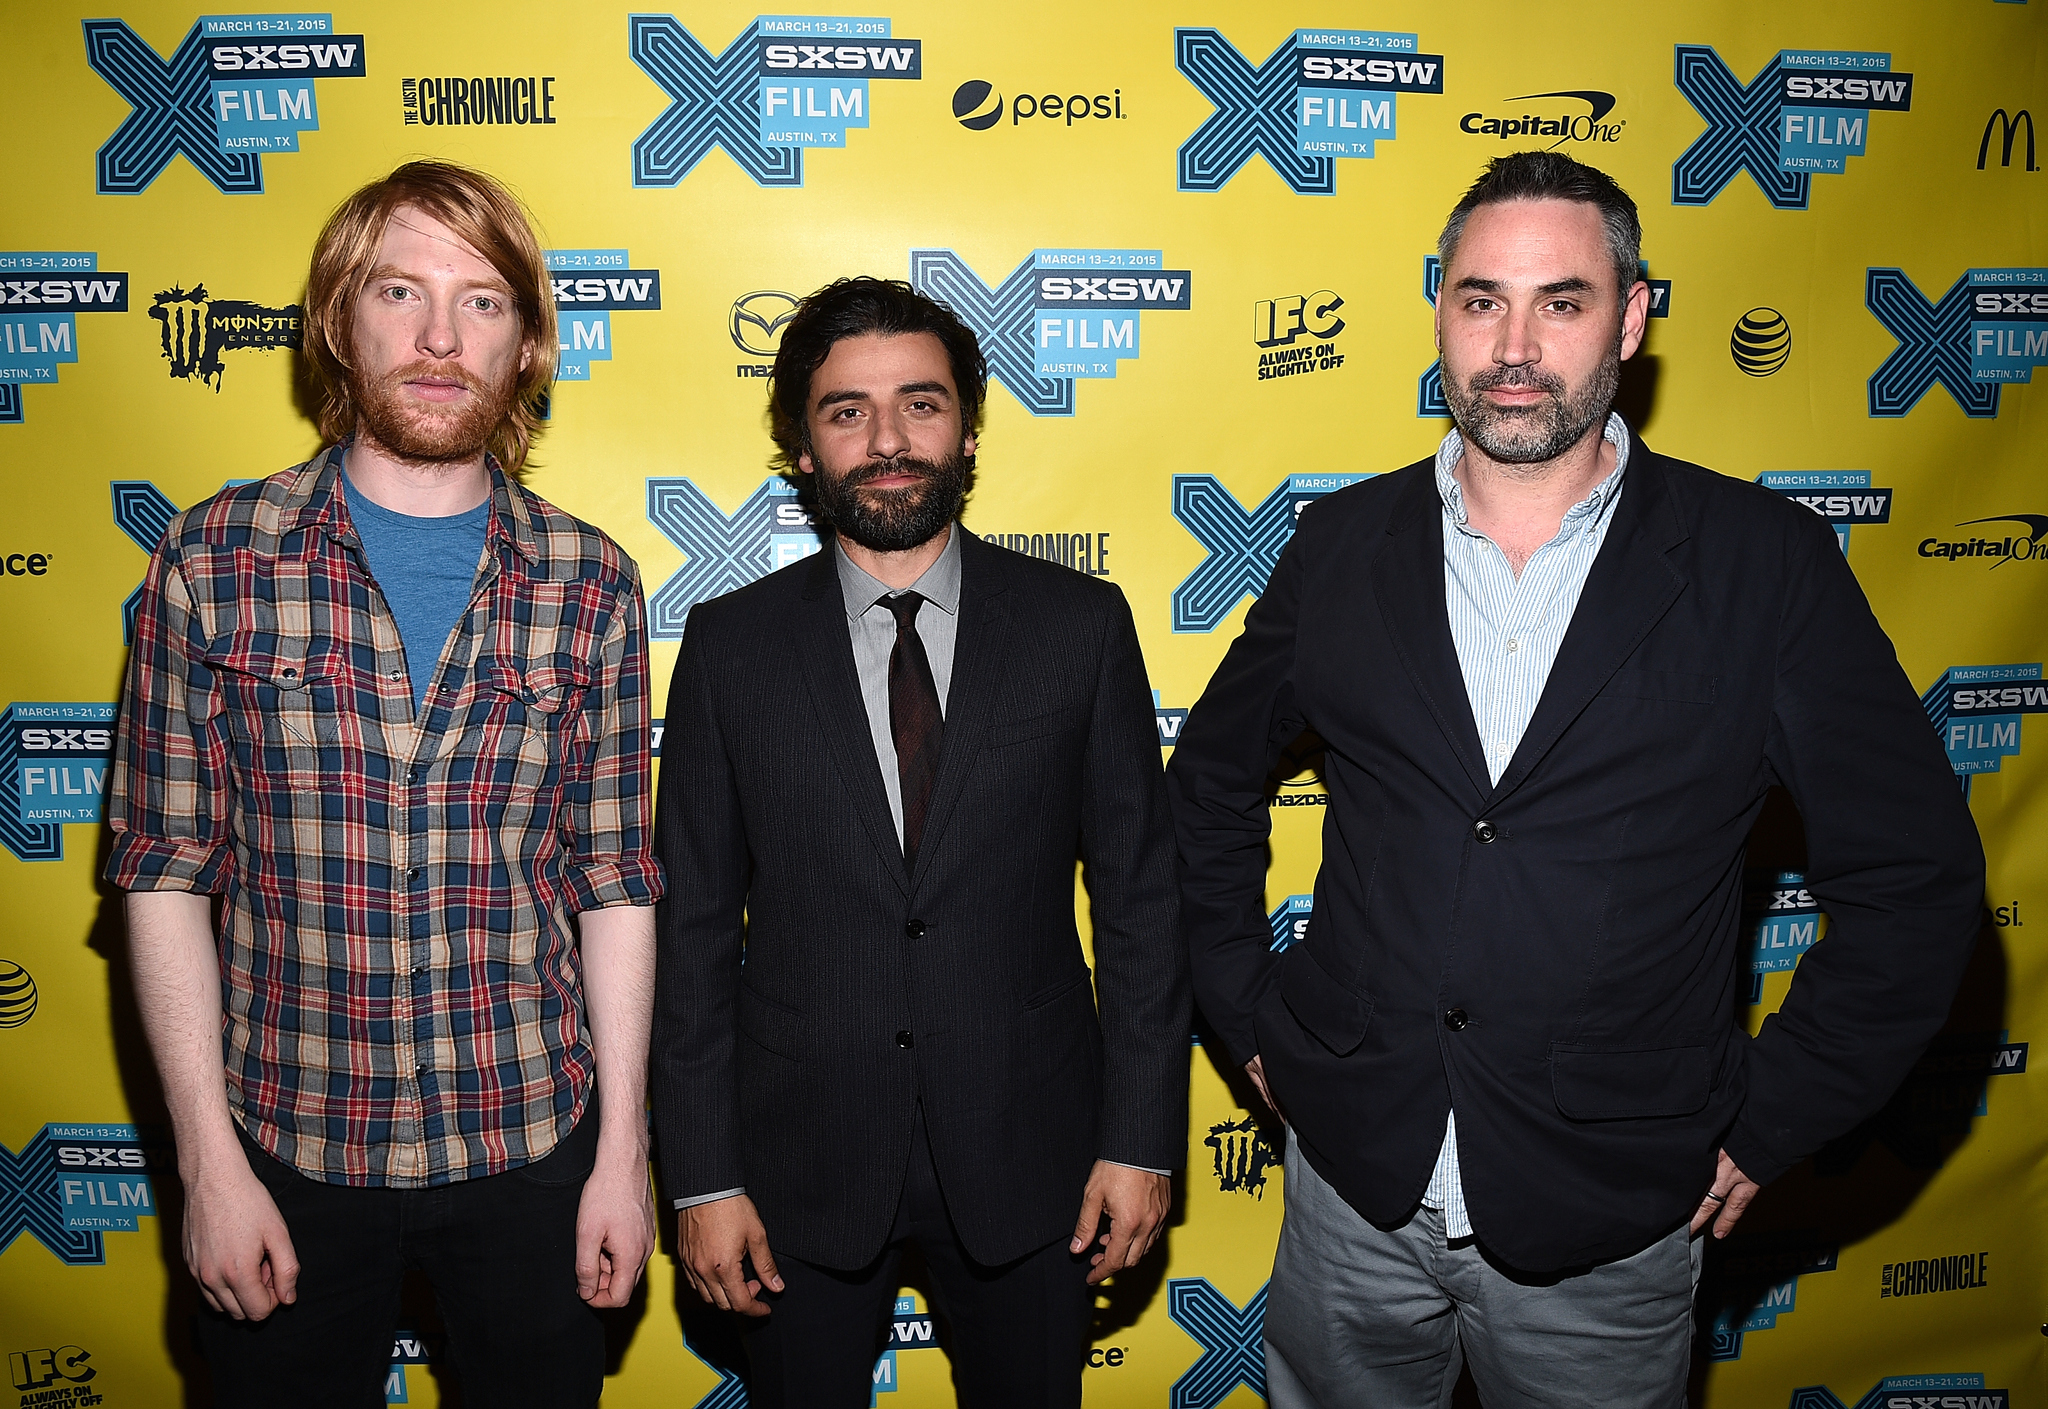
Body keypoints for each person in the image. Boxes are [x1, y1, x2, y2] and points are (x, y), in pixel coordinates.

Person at [1167, 151, 1984, 1406]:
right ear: (1438, 306)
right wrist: (1249, 1013)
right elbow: (1207, 787)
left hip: (1607, 1214)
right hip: (1351, 1185)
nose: (1511, 345)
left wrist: (1771, 1120)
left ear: (1633, 314)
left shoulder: (1761, 563)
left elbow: (1916, 881)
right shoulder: (1340, 543)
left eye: (1561, 301)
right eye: (1479, 298)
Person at [104, 160, 663, 1409]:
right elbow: (161, 873)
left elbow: (617, 882)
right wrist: (206, 1164)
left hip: (530, 1139)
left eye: (480, 302)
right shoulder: (212, 557)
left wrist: (622, 1153)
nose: (435, 337)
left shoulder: (591, 580)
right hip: (284, 1139)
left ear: (525, 342)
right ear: (335, 323)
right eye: (398, 291)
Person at [651, 277, 1190, 1407]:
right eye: (845, 410)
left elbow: (1142, 905)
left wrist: (1140, 1139)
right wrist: (699, 1175)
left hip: (1036, 1148)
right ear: (800, 445)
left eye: (919, 404)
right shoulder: (729, 647)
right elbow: (689, 933)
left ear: (969, 429)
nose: (886, 440)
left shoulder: (1079, 627)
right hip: (795, 1158)